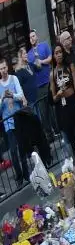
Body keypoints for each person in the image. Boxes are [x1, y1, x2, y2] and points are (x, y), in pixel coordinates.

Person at [48, 44, 75, 182]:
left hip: (73, 104)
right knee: (71, 143)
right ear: (53, 56)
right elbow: (53, 98)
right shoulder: (52, 74)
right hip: (63, 109)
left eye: (60, 52)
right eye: (56, 53)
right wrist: (58, 95)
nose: (58, 55)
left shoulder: (69, 66)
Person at [0, 58, 25, 187]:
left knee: (22, 146)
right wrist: (2, 98)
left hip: (18, 117)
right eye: (1, 69)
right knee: (13, 150)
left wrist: (12, 95)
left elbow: (21, 95)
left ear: (7, 68)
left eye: (4, 68)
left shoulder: (14, 79)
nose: (3, 71)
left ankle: (26, 173)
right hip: (7, 121)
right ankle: (19, 176)